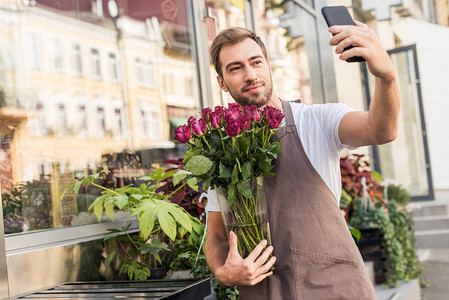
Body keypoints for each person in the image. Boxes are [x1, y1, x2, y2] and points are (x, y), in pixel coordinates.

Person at [204, 21, 399, 300]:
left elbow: (381, 130)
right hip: (264, 293)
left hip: (334, 289)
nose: (250, 75)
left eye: (256, 62)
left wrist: (387, 77)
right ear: (222, 82)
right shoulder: (222, 151)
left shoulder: (317, 120)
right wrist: (223, 272)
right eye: (235, 68)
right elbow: (215, 235)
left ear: (269, 66)